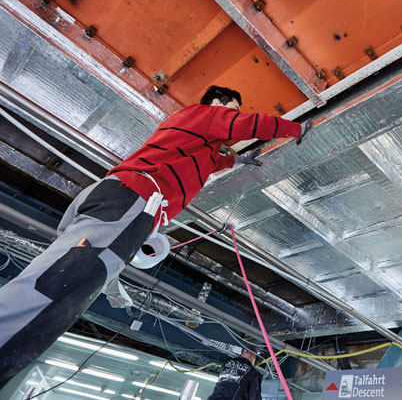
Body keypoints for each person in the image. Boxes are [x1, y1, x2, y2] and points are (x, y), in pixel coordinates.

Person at [0, 86, 311, 380]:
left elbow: (210, 162)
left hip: (119, 198)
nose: (235, 114)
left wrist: (236, 160)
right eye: (233, 108)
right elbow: (249, 125)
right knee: (61, 285)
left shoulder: (197, 137)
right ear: (217, 103)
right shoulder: (205, 114)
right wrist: (296, 129)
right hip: (132, 199)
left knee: (62, 279)